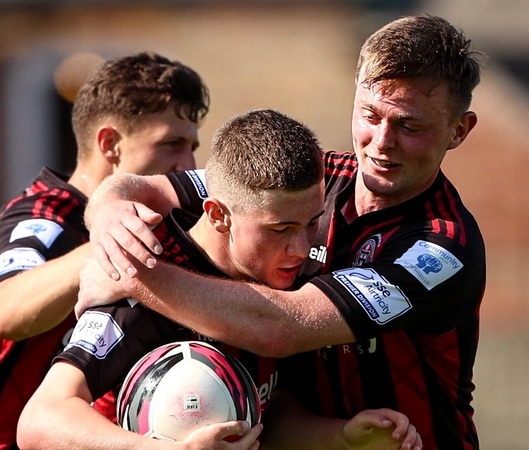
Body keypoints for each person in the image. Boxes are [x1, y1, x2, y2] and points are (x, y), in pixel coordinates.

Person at [77, 15, 485, 450]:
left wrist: (135, 274)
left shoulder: (441, 247)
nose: (381, 141)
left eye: (409, 126)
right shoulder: (310, 179)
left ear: (458, 130)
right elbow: (135, 188)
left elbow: (279, 327)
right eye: (370, 115)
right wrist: (106, 218)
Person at [17, 109, 422, 450]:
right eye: (279, 229)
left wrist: (342, 438)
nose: (301, 248)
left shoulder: (284, 278)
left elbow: (268, 415)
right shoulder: (141, 281)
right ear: (218, 215)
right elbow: (39, 419)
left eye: (312, 223)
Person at [0, 51, 209, 450]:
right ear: (109, 144)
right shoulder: (44, 217)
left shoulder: (150, 221)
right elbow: (6, 312)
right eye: (171, 144)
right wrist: (107, 241)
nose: (188, 164)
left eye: (192, 145)